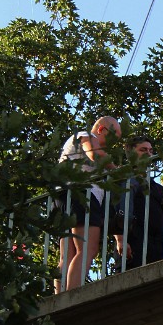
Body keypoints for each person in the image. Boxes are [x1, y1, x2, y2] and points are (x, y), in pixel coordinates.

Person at [55, 115, 122, 293]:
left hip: (63, 197)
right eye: (113, 137)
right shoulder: (86, 136)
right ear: (101, 130)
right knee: (87, 249)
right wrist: (121, 172)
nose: (111, 145)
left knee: (67, 255)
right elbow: (94, 153)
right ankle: (70, 298)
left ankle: (59, 298)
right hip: (81, 194)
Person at [112, 137, 163, 270]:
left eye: (151, 150)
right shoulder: (121, 180)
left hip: (159, 251)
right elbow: (115, 212)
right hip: (133, 247)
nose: (149, 153)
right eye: (143, 150)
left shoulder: (158, 189)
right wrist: (120, 239)